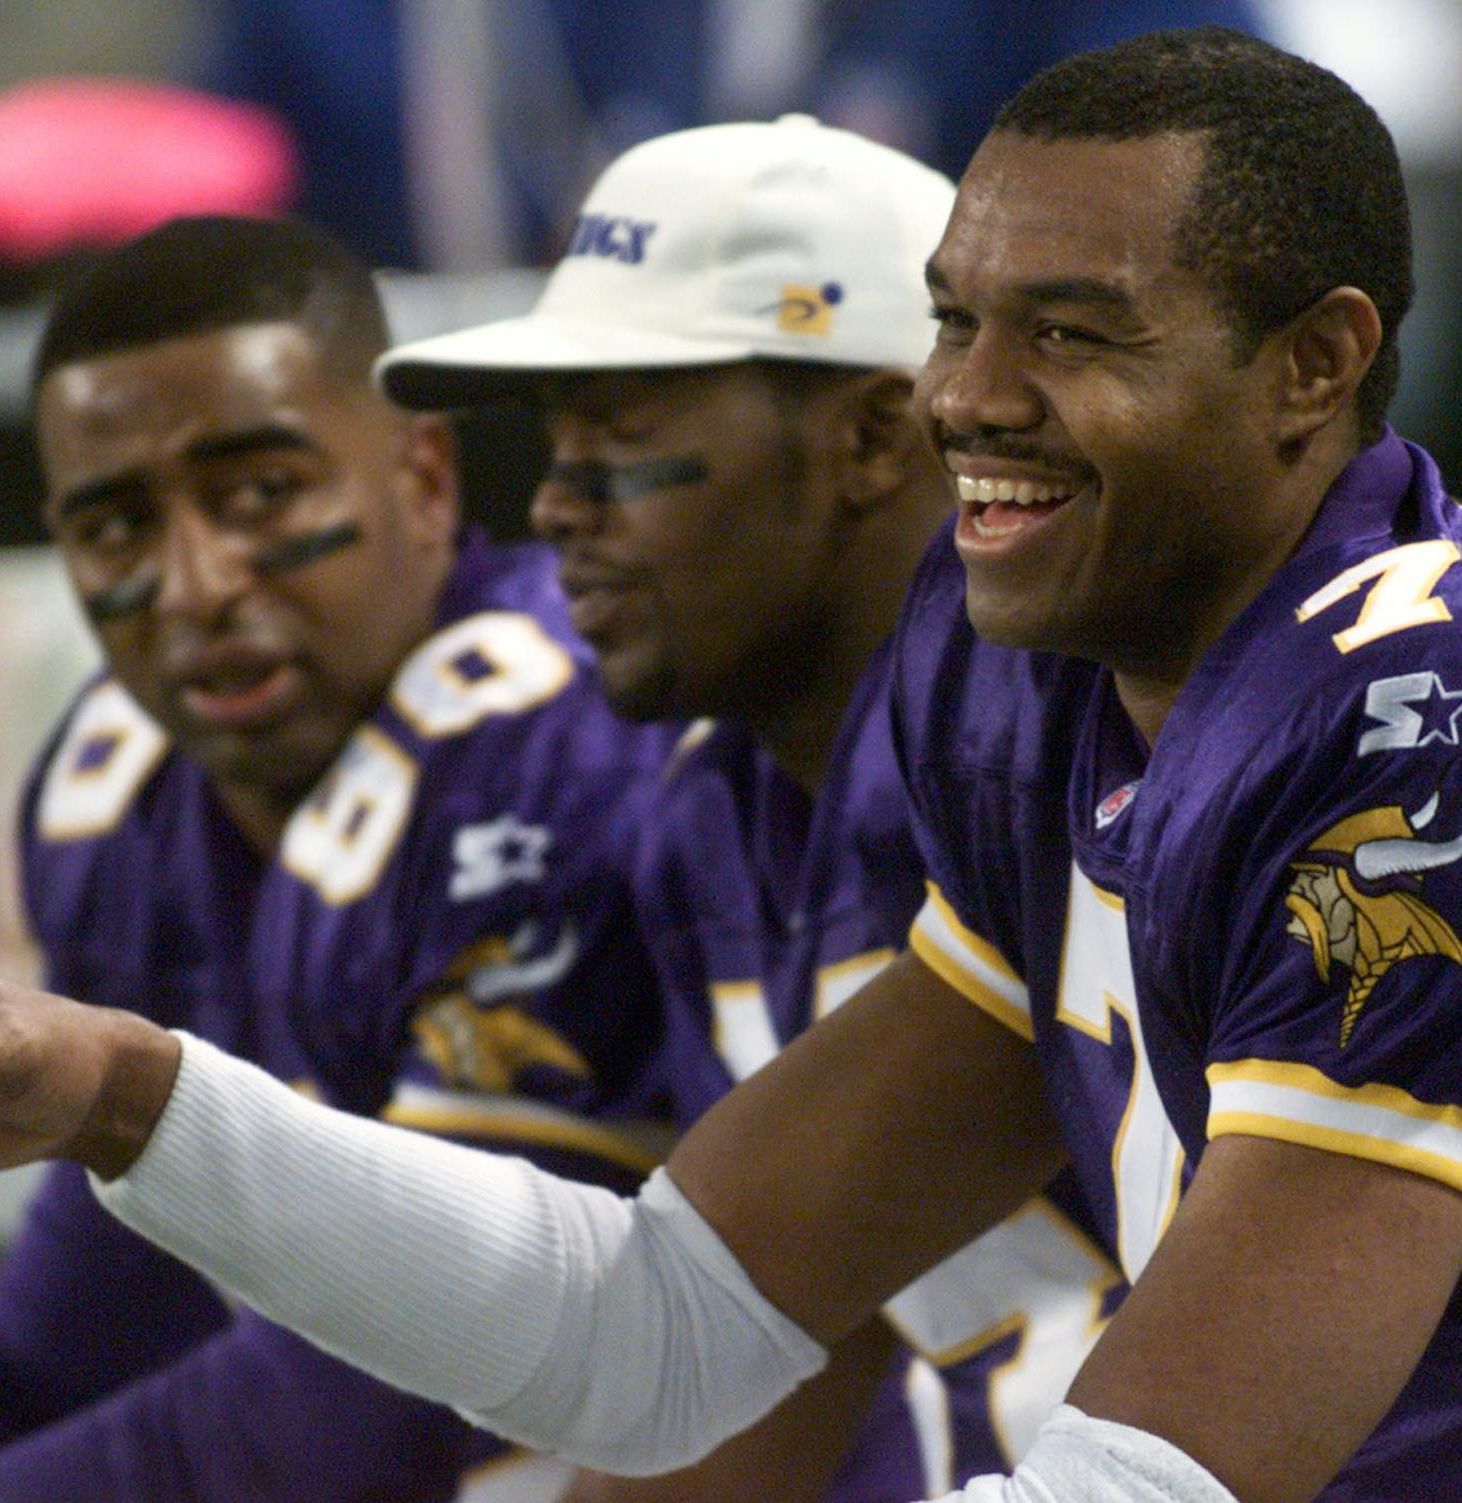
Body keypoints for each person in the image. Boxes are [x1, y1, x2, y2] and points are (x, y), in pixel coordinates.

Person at [0, 28, 1462, 1502]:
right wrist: (115, 1088)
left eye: (1064, 333)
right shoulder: (1030, 698)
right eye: (957, 322)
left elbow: (1161, 1471)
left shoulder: (1449, 710)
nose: (973, 394)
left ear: (1314, 366)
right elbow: (662, 1331)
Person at [0, 216, 694, 1503]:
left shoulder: (553, 750)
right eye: (118, 522)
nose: (194, 585)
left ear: (424, 479)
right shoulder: (116, 797)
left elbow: (405, 1408)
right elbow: (74, 1347)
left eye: (260, 494)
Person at [377, 113, 1141, 1487]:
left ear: (866, 435)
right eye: (553, 441)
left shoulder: (1079, 761)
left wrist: (136, 1102)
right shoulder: (709, 812)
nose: (554, 505)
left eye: (621, 432)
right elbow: (758, 1345)